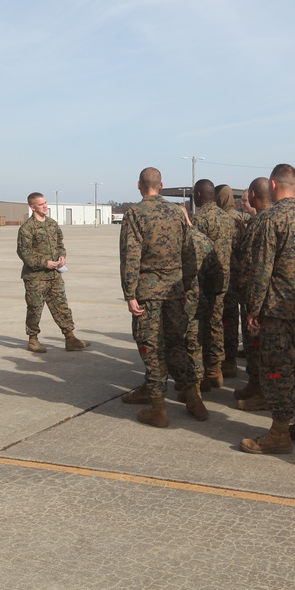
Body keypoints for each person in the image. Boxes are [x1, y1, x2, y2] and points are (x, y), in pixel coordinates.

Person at [240, 164, 295, 454]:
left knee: (277, 371)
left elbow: (261, 269)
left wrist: (253, 309)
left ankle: (279, 431)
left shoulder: (270, 219)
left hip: (277, 311)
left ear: (273, 185)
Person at [120, 168, 205, 427]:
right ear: (162, 185)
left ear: (139, 186)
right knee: (177, 345)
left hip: (148, 293)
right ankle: (193, 399)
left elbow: (130, 256)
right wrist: (186, 287)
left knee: (152, 348)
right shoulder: (176, 212)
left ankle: (158, 408)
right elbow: (189, 252)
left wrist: (129, 293)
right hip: (174, 291)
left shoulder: (135, 213)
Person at [16, 192, 90, 353]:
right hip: (35, 278)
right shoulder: (27, 229)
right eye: (41, 204)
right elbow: (24, 253)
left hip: (54, 275)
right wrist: (44, 263)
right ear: (32, 207)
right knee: (35, 308)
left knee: (62, 306)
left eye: (45, 203)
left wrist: (62, 256)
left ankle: (70, 338)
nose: (45, 206)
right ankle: (33, 339)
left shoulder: (52, 224)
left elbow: (59, 244)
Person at [232, 177, 274, 411]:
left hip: (257, 297)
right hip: (267, 297)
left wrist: (253, 305)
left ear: (256, 196)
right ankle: (254, 383)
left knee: (257, 345)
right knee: (254, 346)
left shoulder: (262, 222)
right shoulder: (261, 220)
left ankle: (261, 390)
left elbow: (255, 266)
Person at [192, 180, 238, 389]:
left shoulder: (199, 219)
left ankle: (202, 374)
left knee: (200, 326)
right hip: (223, 280)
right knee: (217, 323)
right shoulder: (227, 219)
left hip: (204, 282)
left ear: (200, 195)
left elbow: (194, 253)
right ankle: (216, 369)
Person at [217, 184, 248, 380]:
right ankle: (231, 361)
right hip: (238, 276)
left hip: (222, 277)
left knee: (220, 320)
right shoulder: (240, 219)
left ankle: (220, 361)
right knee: (233, 318)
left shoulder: (218, 219)